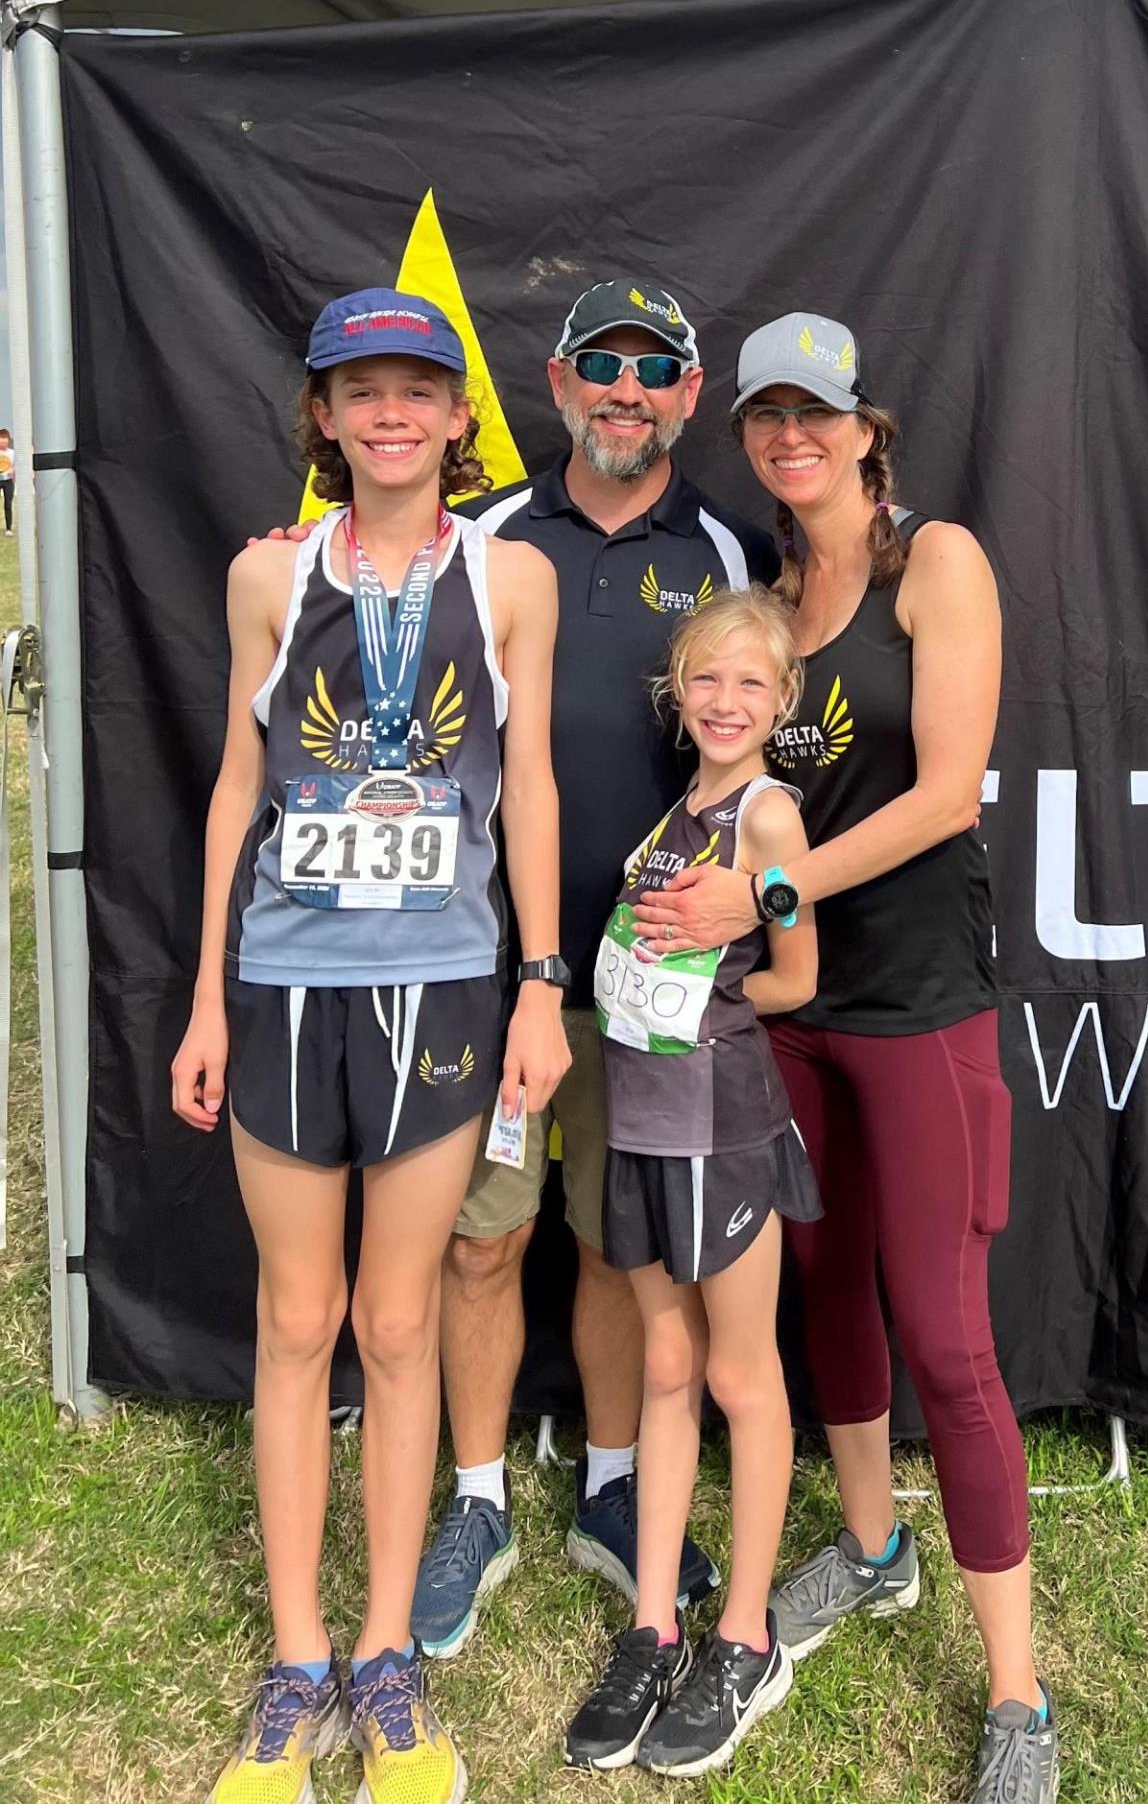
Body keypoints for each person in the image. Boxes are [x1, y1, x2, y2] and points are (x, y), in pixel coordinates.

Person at [630, 313, 1057, 1803]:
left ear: (869, 428)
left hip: (919, 1001)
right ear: (745, 435)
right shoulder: (763, 594)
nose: (790, 437)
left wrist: (765, 892)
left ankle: (1017, 1692)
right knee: (826, 1288)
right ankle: (874, 1549)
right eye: (766, 417)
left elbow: (947, 791)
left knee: (947, 1335)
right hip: (785, 1011)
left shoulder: (933, 561)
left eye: (818, 413)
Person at [171, 288, 571, 1804]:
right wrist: (207, 993)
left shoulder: (509, 575)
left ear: (461, 417)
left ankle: (389, 1658)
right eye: (362, 389)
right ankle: (295, 1663)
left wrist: (542, 983)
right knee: (297, 1318)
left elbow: (528, 788)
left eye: (420, 386)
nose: (391, 411)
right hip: (283, 979)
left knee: (398, 1325)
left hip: (448, 985)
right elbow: (234, 785)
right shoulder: (265, 576)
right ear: (324, 419)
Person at [409, 280, 780, 1656]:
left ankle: (619, 1490)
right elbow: (372, 609)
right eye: (599, 367)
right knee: (483, 1235)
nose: (626, 390)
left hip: (660, 995)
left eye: (655, 369)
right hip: (497, 969)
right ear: (556, 385)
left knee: (626, 1249)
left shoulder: (731, 551)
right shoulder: (488, 534)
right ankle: (479, 1495)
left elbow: (773, 743)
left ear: (689, 395)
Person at [564, 587, 820, 1776]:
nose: (726, 702)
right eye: (707, 681)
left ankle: (742, 1633)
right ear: (680, 690)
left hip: (722, 1127)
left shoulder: (766, 815)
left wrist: (716, 1006)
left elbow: (793, 968)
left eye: (751, 685)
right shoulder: (681, 809)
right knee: (666, 1365)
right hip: (640, 1124)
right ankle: (652, 1622)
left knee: (736, 1370)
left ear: (783, 702)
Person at [0, 427, 16, 533]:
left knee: (8, 504)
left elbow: (17, 464)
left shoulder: (12, 453)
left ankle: (9, 528)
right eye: (1, 438)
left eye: (5, 438)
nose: (4, 441)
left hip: (8, 481)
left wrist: (12, 470)